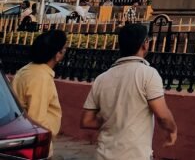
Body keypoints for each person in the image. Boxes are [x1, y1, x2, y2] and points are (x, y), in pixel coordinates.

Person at [81, 22, 178, 160]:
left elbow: (86, 121)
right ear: (145, 44)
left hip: (103, 154)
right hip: (134, 154)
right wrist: (172, 129)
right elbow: (162, 115)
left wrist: (112, 120)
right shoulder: (148, 74)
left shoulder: (102, 78)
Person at [12, 29, 67, 153]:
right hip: (35, 146)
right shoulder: (40, 77)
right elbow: (37, 119)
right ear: (57, 54)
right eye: (64, 49)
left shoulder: (27, 70)